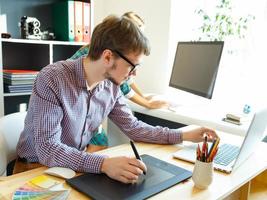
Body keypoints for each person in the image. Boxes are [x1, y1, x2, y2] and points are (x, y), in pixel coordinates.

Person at [15, 14, 218, 184]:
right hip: (34, 168)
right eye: (132, 66)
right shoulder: (52, 78)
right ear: (107, 57)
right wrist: (103, 164)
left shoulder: (111, 86)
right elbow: (48, 149)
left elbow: (134, 128)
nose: (135, 74)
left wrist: (183, 135)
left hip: (72, 166)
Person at [70, 11, 168, 152]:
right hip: (75, 109)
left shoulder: (112, 71)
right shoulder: (97, 63)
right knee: (96, 141)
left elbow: (127, 80)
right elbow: (125, 87)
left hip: (85, 113)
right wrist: (147, 103)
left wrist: (144, 97)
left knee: (100, 140)